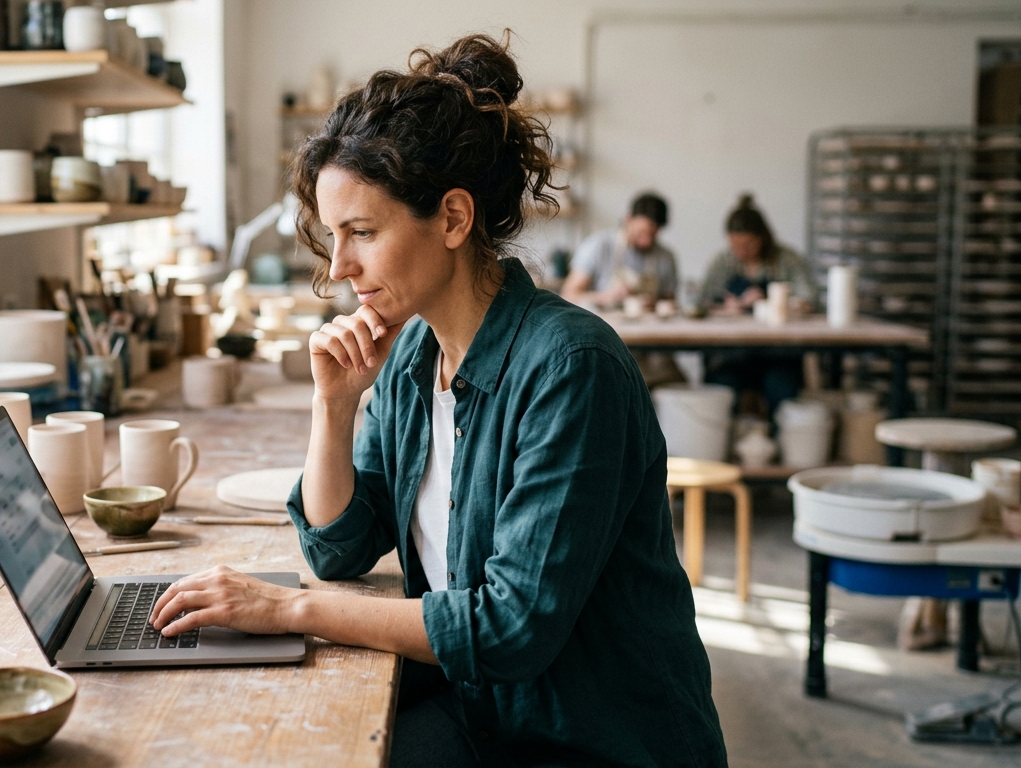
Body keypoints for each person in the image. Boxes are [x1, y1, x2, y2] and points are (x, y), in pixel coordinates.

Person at [148, 33, 727, 767]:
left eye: (362, 232)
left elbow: (510, 627)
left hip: (584, 736)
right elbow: (338, 548)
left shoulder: (572, 370)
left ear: (453, 219)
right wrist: (334, 407)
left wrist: (288, 609)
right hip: (483, 707)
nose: (338, 266)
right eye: (333, 237)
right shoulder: (413, 356)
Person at [700, 194, 817, 420]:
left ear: (763, 238)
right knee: (721, 388)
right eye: (735, 245)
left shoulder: (786, 260)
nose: (741, 251)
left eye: (748, 244)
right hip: (733, 353)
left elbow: (810, 300)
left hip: (777, 352)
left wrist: (772, 301)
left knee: (781, 388)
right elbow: (701, 302)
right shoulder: (723, 262)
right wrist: (726, 307)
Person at [561, 192, 677, 309]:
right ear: (628, 219)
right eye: (641, 233)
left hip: (649, 326)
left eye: (653, 235)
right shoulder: (598, 246)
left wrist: (653, 303)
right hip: (601, 324)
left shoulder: (665, 257)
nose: (646, 241)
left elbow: (669, 303)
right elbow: (568, 295)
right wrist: (605, 297)